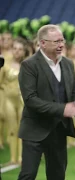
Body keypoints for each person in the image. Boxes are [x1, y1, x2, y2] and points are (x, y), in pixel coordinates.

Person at [17, 24, 75, 180]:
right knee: (28, 175)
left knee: (57, 175)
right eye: (56, 41)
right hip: (34, 130)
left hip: (59, 130)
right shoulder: (29, 65)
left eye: (62, 41)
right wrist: (62, 109)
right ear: (43, 43)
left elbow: (73, 94)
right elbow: (30, 100)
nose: (61, 45)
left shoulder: (68, 64)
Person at [1, 37, 30, 165]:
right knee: (12, 129)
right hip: (9, 101)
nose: (17, 52)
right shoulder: (5, 65)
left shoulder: (28, 65)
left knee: (23, 129)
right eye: (15, 49)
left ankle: (22, 157)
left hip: (23, 102)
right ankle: (13, 158)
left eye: (20, 49)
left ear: (24, 51)